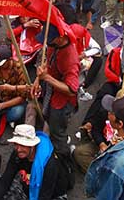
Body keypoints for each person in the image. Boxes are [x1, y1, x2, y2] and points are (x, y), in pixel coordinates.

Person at [0, 124, 73, 200]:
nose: (18, 149)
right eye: (16, 144)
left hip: (50, 195)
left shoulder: (49, 165)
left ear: (32, 145)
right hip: (28, 188)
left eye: (23, 145)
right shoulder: (17, 153)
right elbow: (5, 181)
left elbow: (44, 196)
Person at [30, 24, 79, 158]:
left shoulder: (70, 59)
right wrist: (38, 80)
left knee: (57, 133)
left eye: (50, 39)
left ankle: (63, 159)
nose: (48, 42)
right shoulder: (54, 45)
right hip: (50, 93)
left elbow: (71, 90)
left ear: (60, 37)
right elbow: (47, 63)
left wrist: (47, 78)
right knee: (49, 122)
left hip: (62, 102)